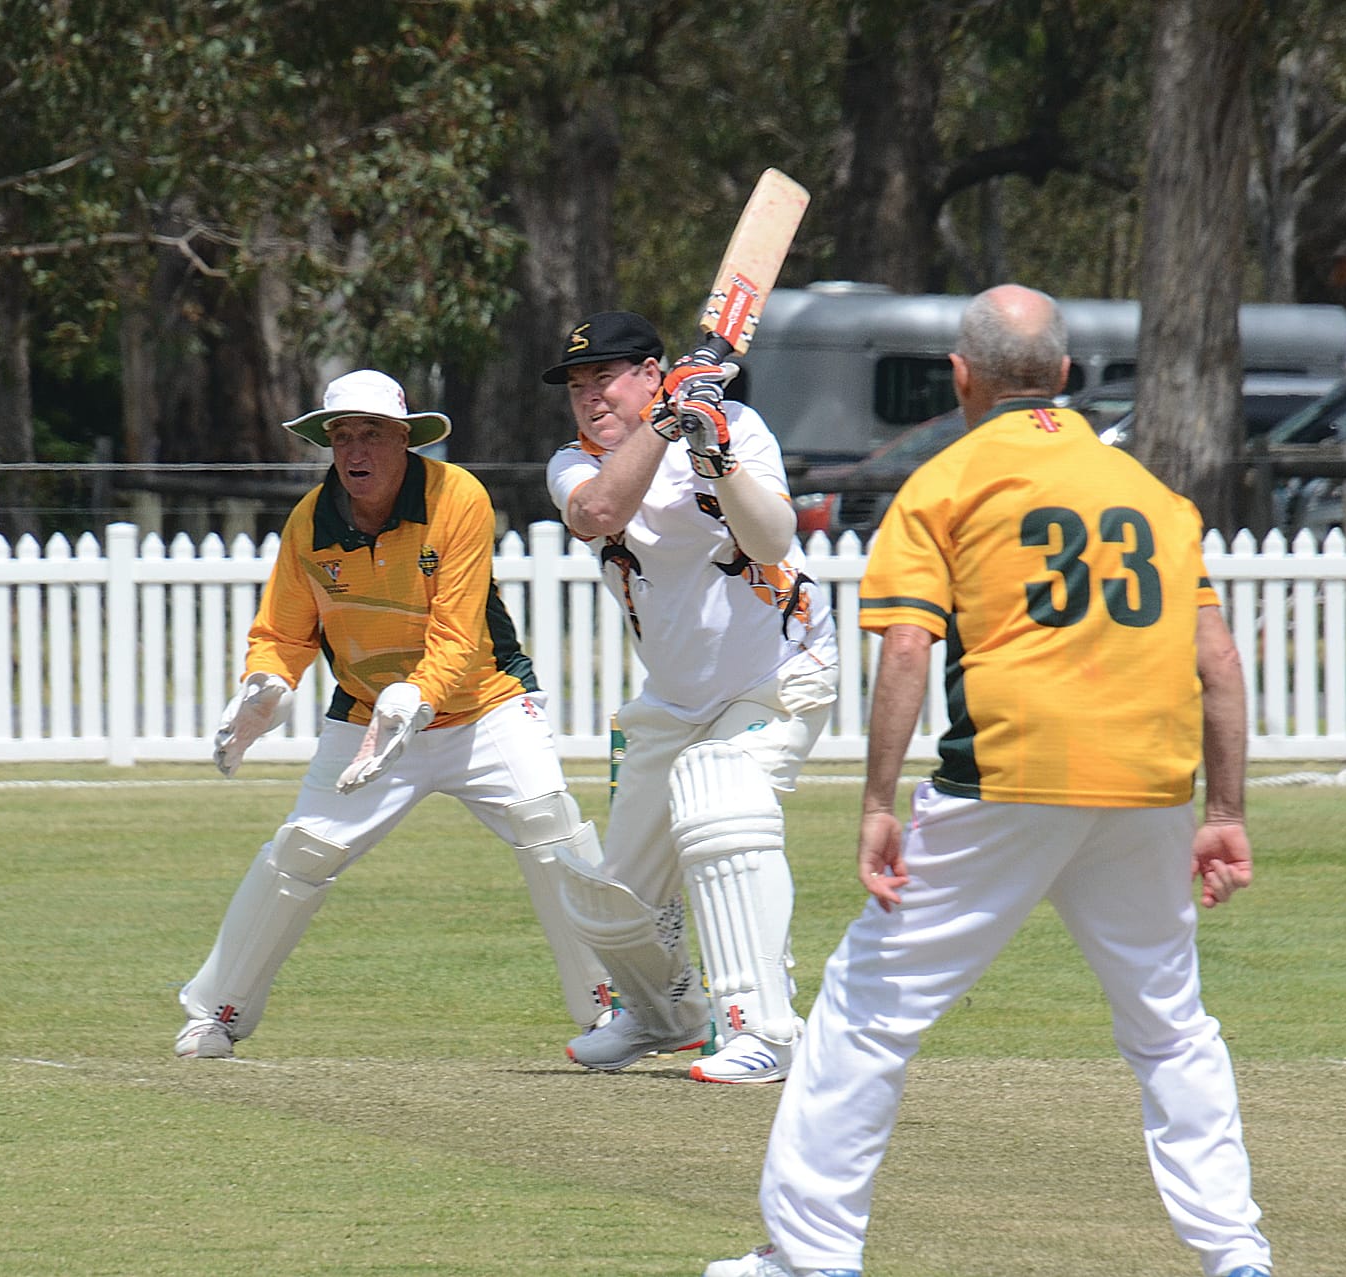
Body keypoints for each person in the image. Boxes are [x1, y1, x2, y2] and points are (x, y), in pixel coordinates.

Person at [706, 286, 1273, 1276]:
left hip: (1005, 777)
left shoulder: (943, 482)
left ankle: (809, 1255)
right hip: (1146, 785)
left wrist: (877, 802)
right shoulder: (1150, 492)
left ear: (959, 378)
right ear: (1061, 376)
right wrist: (1222, 810)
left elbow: (906, 651)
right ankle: (1234, 1254)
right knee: (1169, 1025)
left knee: (864, 1011)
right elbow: (1216, 663)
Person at [175, 368, 614, 1059]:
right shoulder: (309, 522)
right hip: (363, 719)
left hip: (483, 706)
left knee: (548, 826)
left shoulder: (455, 497)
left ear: (405, 440)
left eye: (372, 434)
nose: (355, 451)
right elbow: (284, 633)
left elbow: (458, 633)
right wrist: (264, 686)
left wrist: (413, 699)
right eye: (342, 436)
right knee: (301, 851)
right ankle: (214, 1012)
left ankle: (612, 1010)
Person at [541, 311, 839, 1084]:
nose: (589, 397)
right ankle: (662, 1013)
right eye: (577, 386)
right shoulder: (574, 463)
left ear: (649, 370)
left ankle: (764, 1029)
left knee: (720, 808)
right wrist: (670, 421)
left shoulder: (734, 422)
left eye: (603, 378)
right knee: (618, 897)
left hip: (779, 672)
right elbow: (598, 513)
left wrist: (714, 452)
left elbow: (772, 541)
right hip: (674, 700)